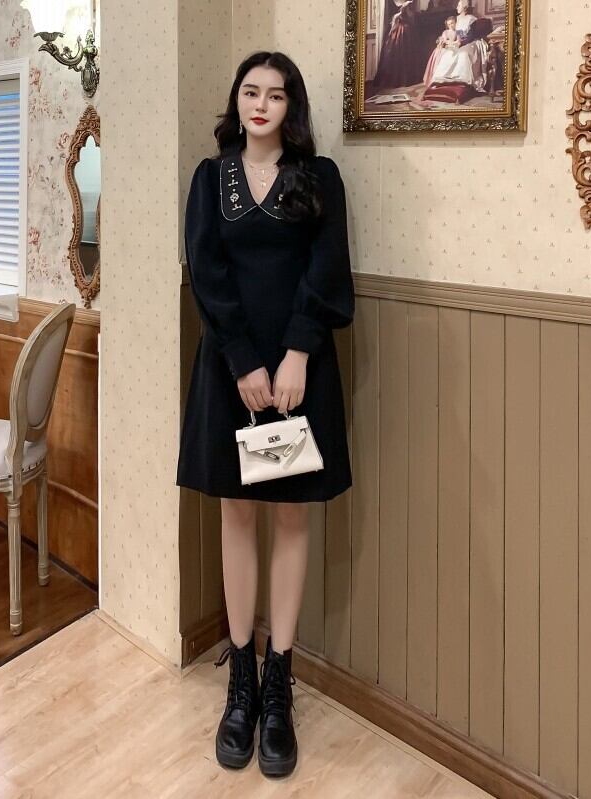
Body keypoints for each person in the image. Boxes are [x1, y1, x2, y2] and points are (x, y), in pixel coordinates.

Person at [176, 51, 354, 778]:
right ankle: (242, 679)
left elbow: (327, 268)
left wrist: (296, 353)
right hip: (232, 372)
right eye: (250, 92)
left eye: (275, 95)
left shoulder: (319, 178)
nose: (260, 105)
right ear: (236, 101)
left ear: (291, 107)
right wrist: (245, 360)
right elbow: (207, 272)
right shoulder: (208, 177)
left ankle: (279, 682)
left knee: (292, 518)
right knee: (237, 514)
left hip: (299, 375)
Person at [426, 0, 490, 92]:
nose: (456, 8)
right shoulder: (456, 19)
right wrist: (446, 41)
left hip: (468, 41)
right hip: (456, 41)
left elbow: (471, 35)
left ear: (464, 7)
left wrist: (461, 42)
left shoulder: (471, 19)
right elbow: (450, 32)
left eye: (459, 6)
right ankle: (443, 80)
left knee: (463, 55)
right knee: (448, 54)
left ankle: (463, 81)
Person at [371, 0, 422, 92]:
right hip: (396, 32)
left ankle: (406, 79)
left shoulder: (409, 4)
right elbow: (392, 20)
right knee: (392, 53)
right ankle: (391, 79)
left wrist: (406, 9)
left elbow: (411, 17)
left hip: (407, 32)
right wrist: (400, 12)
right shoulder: (391, 4)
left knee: (406, 53)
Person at [423, 15, 460, 87]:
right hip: (444, 48)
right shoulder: (445, 32)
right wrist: (450, 42)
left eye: (452, 23)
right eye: (449, 24)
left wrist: (454, 43)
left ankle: (447, 78)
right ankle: (435, 79)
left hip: (452, 48)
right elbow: (445, 40)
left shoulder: (457, 32)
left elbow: (458, 42)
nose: (451, 25)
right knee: (440, 56)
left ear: (455, 23)